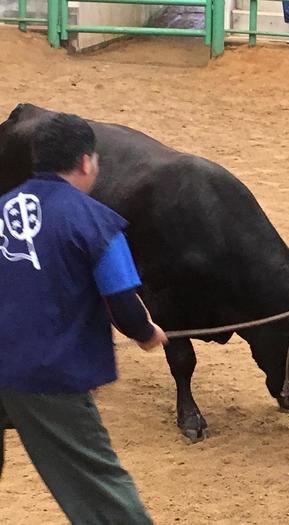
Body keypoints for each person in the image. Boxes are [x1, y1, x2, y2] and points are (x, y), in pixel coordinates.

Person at [0, 112, 168, 524]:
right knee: (99, 486)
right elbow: (124, 308)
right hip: (43, 372)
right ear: (86, 162)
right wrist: (147, 334)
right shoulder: (96, 222)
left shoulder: (2, 206)